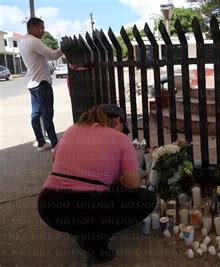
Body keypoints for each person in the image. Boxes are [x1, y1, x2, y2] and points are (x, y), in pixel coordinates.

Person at [37, 104, 156, 262]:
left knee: (97, 197)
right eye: (123, 127)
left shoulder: (72, 129)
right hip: (88, 207)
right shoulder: (120, 139)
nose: (123, 132)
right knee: (146, 198)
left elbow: (55, 159)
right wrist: (118, 177)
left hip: (49, 208)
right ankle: (95, 241)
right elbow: (132, 183)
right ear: (117, 120)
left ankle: (81, 229)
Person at [19, 17, 63, 152]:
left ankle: (41, 142)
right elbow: (52, 56)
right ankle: (55, 145)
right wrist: (64, 48)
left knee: (35, 114)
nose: (43, 31)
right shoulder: (34, 42)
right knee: (47, 114)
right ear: (32, 28)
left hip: (32, 84)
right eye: (41, 28)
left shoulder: (22, 42)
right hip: (42, 82)